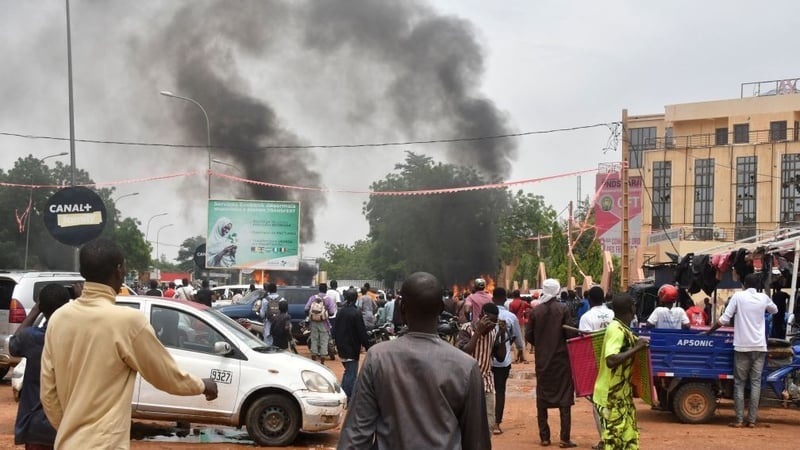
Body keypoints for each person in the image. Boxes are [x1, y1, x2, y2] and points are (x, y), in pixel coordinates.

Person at [40, 238, 218, 449]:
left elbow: (48, 392)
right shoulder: (128, 322)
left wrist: (71, 432)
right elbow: (165, 376)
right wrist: (202, 385)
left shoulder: (59, 318)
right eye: (124, 267)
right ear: (118, 270)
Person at [338, 272, 490, 449]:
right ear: (441, 309)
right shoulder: (465, 366)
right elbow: (476, 441)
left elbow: (356, 436)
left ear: (402, 308)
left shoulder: (377, 358)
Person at [706, 273, 778, 427]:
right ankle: (752, 421)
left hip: (742, 346)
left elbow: (724, 319)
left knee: (739, 383)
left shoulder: (738, 297)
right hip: (759, 347)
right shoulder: (763, 298)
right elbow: (775, 310)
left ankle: (739, 420)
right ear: (758, 285)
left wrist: (709, 331)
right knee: (756, 383)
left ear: (744, 283)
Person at [9, 284, 70, 449]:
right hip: (68, 425)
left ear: (42, 306)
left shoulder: (31, 338)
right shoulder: (75, 338)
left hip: (35, 424)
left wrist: (36, 309)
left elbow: (13, 345)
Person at [525, 278, 577, 448]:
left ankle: (545, 437)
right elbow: (570, 334)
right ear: (556, 291)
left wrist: (540, 345)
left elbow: (528, 335)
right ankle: (564, 438)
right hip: (561, 361)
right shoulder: (563, 309)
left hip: (542, 361)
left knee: (542, 399)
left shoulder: (536, 312)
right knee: (564, 400)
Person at [593, 294, 649, 449]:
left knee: (630, 440)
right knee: (614, 443)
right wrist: (637, 347)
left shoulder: (622, 328)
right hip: (610, 397)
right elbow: (611, 360)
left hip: (622, 396)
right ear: (632, 308)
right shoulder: (616, 330)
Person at [490, 287, 523, 435]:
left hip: (486, 359)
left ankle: (485, 421)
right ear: (504, 298)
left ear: (492, 298)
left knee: (485, 390)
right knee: (500, 390)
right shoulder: (510, 317)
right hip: (503, 361)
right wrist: (520, 349)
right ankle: (497, 423)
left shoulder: (485, 314)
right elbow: (517, 337)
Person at [333, 288, 372, 400]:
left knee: (348, 372)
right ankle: (346, 397)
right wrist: (368, 346)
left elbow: (334, 329)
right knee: (351, 374)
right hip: (351, 348)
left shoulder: (341, 312)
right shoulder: (356, 313)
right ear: (356, 298)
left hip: (341, 347)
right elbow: (361, 332)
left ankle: (345, 394)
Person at [304, 283, 336, 363]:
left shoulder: (313, 298)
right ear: (326, 290)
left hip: (313, 323)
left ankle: (314, 360)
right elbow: (332, 312)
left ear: (319, 289)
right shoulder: (328, 299)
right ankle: (322, 362)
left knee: (314, 339)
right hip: (324, 323)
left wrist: (312, 315)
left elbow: (306, 308)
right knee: (324, 341)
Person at [259, 282, 284, 347]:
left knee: (267, 344)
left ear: (268, 290)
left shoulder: (265, 300)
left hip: (268, 324)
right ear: (276, 289)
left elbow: (262, 314)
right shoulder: (282, 299)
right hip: (279, 324)